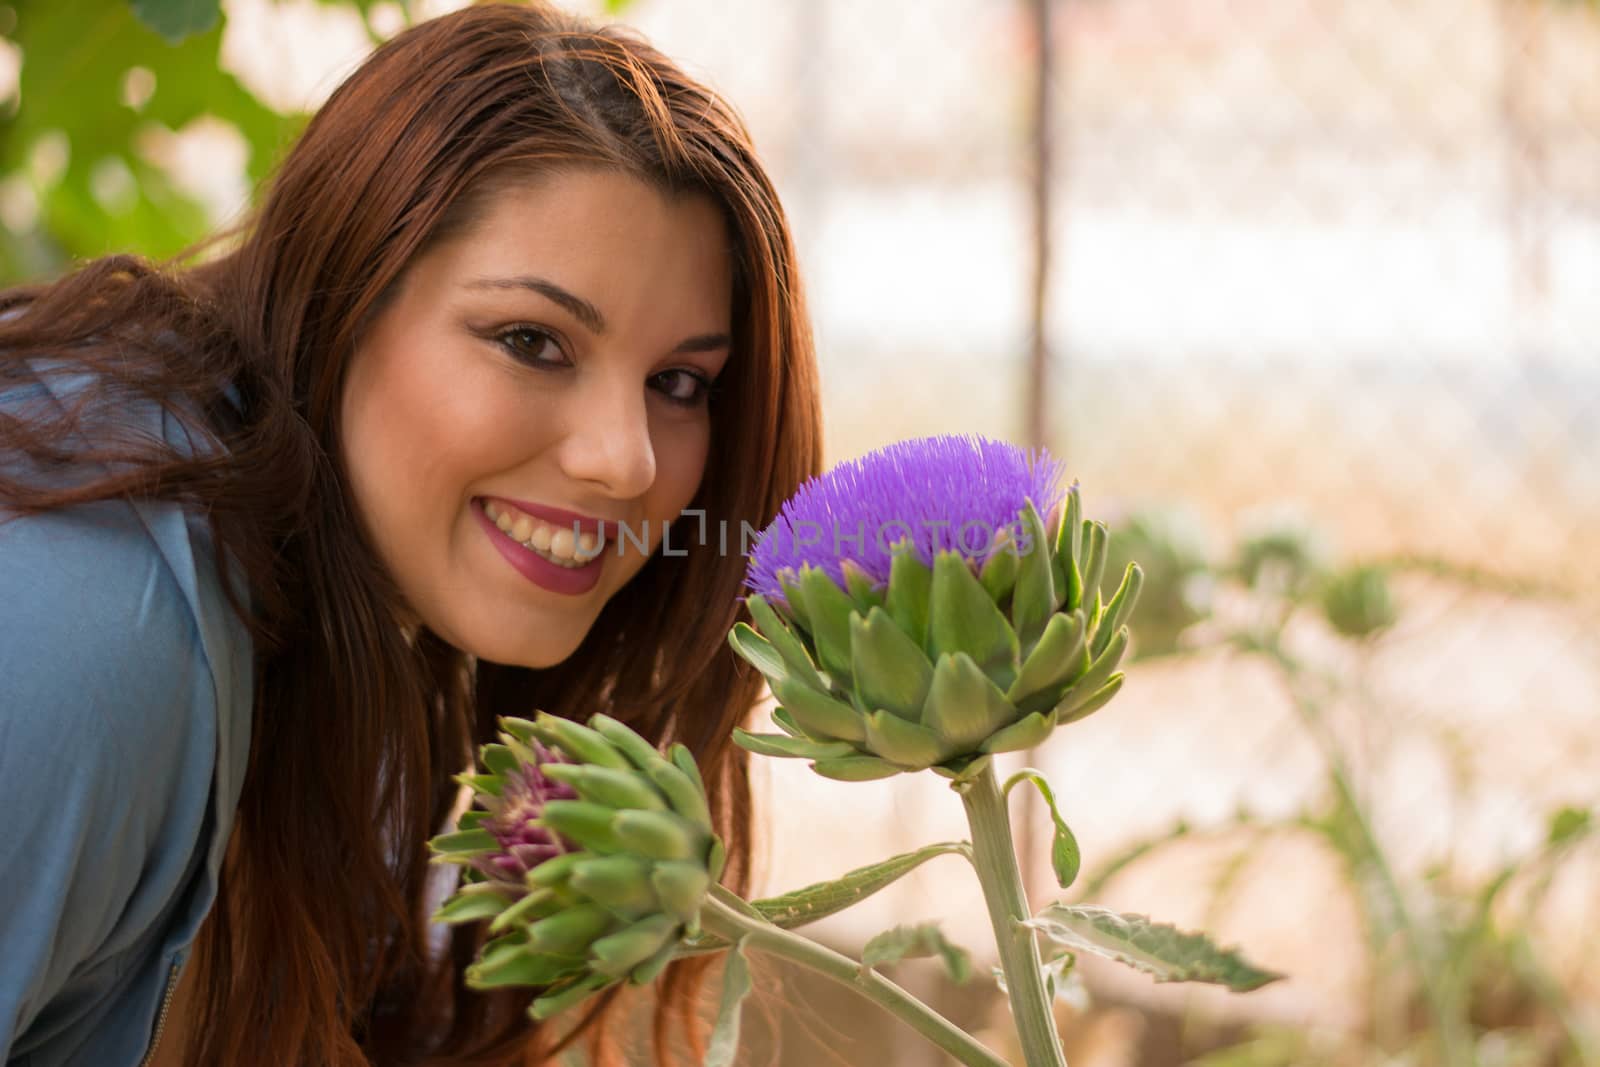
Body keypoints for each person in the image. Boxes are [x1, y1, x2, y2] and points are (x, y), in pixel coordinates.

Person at [0, 4, 821, 1065]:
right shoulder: (105, 620)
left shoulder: (349, 620)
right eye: (531, 340)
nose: (627, 460)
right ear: (342, 293)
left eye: (678, 382)